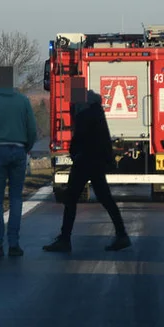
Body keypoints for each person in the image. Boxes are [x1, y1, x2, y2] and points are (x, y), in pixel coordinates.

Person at [43, 90, 130, 253]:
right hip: (96, 162)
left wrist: (74, 153)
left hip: (84, 161)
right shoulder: (98, 113)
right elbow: (104, 140)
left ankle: (64, 239)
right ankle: (121, 234)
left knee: (71, 199)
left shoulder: (85, 115)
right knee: (105, 199)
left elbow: (78, 139)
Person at [0, 65, 37, 258]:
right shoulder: (23, 102)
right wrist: (26, 147)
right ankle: (14, 243)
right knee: (16, 198)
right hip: (19, 150)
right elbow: (32, 131)